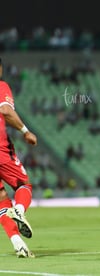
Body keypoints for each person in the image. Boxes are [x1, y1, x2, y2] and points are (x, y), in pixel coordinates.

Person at [0, 58, 37, 258]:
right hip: (0, 150)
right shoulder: (1, 85)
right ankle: (20, 210)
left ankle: (17, 243)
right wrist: (25, 131)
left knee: (1, 201)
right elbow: (5, 110)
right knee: (24, 185)